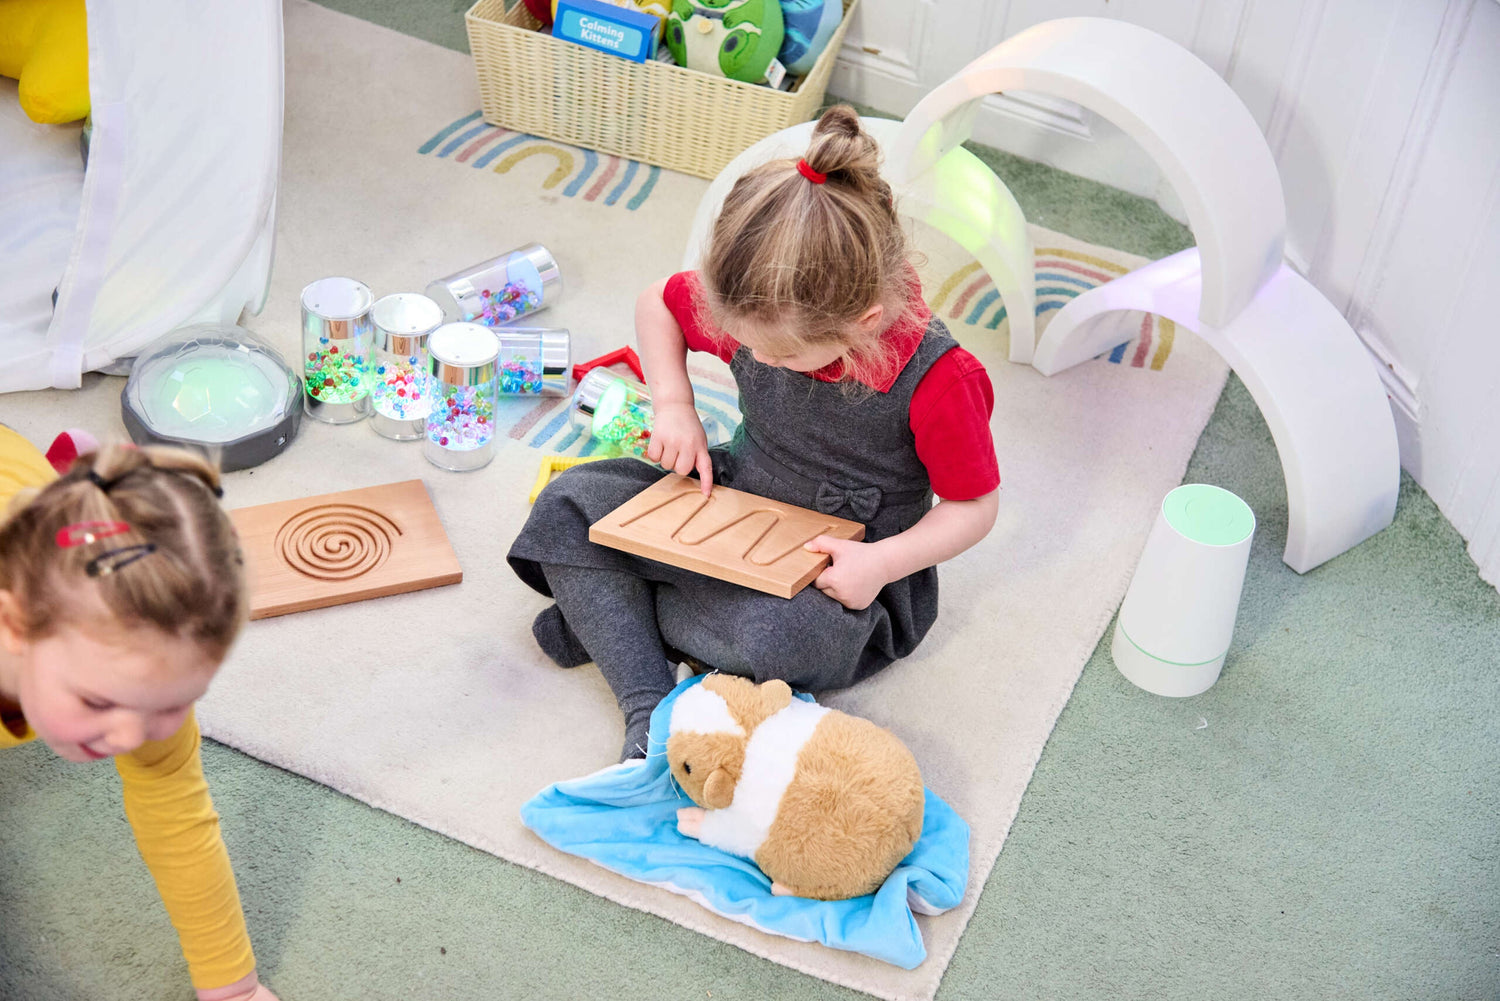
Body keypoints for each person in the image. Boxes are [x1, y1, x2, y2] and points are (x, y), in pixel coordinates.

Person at [509, 105, 1001, 762]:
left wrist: (881, 565)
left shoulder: (942, 380)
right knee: (567, 505)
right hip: (734, 493)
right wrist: (674, 403)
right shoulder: (761, 301)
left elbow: (974, 506)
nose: (755, 357)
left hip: (844, 566)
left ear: (864, 321)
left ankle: (618, 624)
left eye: (780, 353)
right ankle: (648, 700)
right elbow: (659, 303)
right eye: (743, 340)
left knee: (778, 640)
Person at [0, 427, 280, 1001]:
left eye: (175, 703)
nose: (133, 735)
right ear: (14, 626)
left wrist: (233, 989)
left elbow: (176, 814)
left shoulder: (141, 685)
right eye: (97, 701)